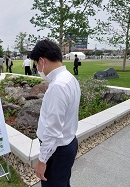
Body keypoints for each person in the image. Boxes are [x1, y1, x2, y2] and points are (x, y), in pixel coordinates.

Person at [30, 39, 81, 187]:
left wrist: (42, 160)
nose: (38, 69)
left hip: (57, 152)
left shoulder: (57, 86)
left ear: (42, 60)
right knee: (63, 183)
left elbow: (53, 130)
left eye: (36, 64)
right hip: (68, 143)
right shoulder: (70, 78)